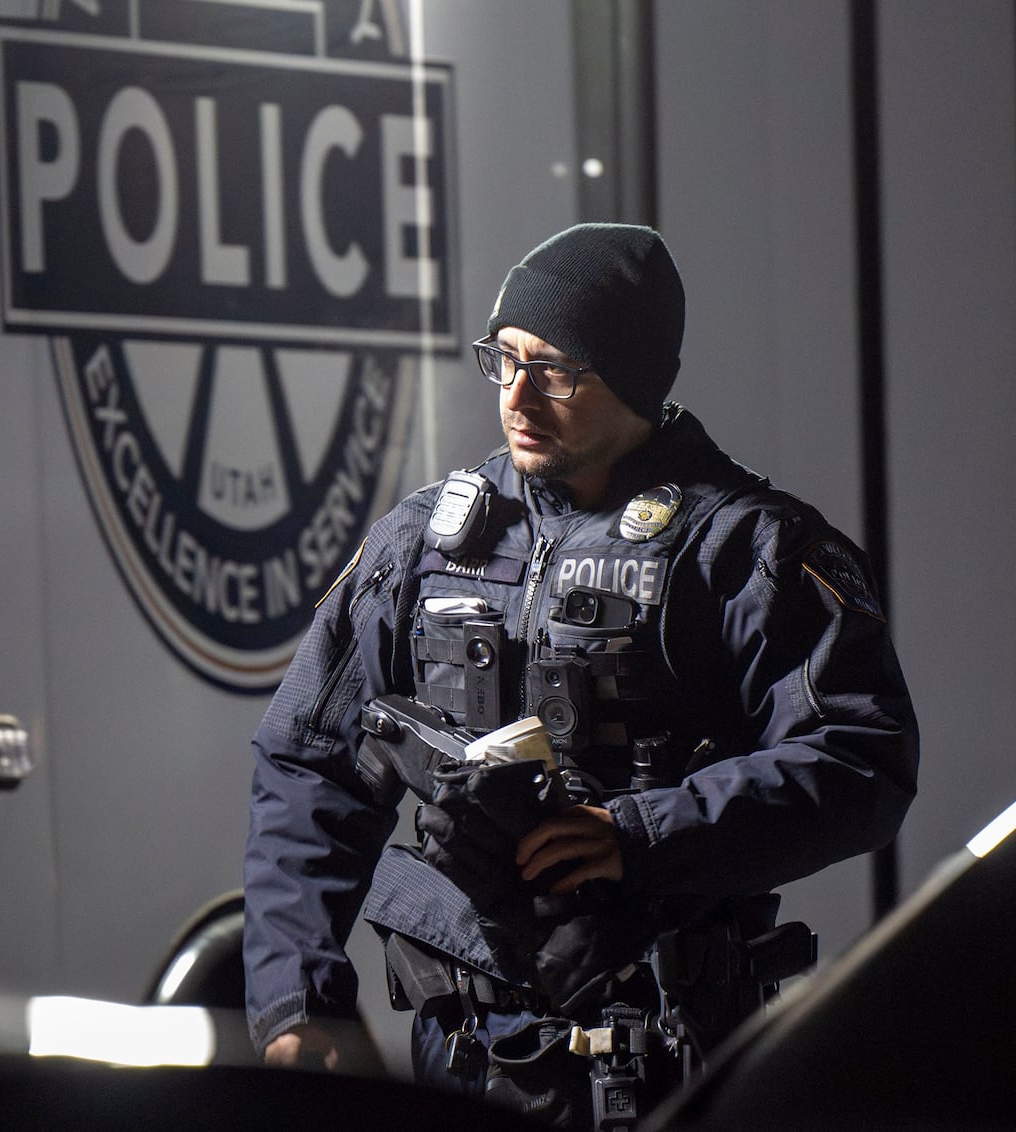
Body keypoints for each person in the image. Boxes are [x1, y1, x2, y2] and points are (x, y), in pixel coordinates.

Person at [241, 223, 918, 1121]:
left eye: (556, 370)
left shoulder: (748, 549)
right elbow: (308, 763)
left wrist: (642, 833)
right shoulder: (426, 544)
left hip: (665, 1057)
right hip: (463, 1057)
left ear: (633, 379)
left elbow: (862, 761)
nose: (518, 396)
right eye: (503, 359)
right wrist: (296, 994)